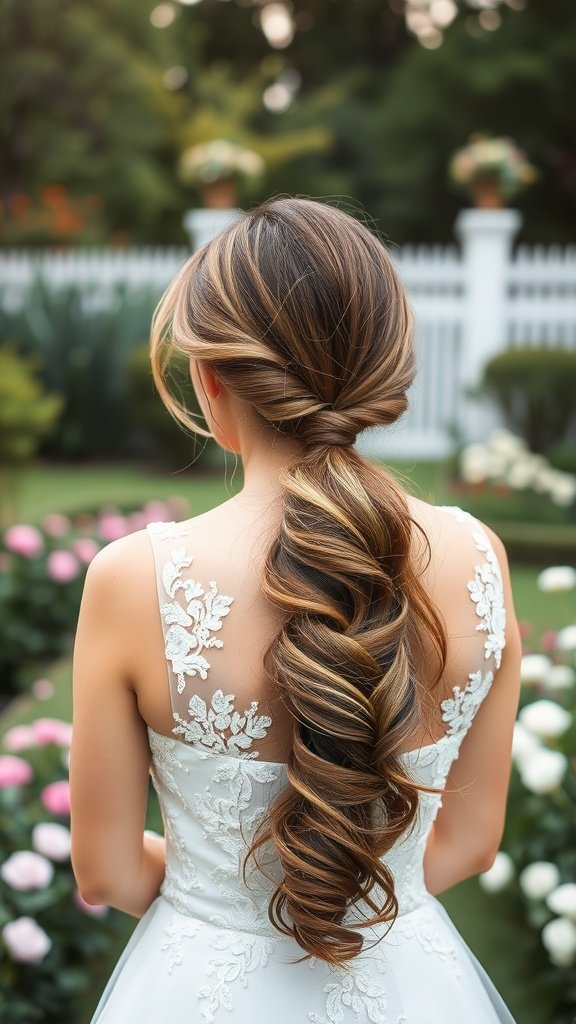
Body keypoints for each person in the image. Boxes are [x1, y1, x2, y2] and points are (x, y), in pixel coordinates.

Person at [70, 196, 522, 1023]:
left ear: (211, 378)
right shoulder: (478, 558)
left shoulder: (135, 580)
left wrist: (235, 891)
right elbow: (469, 841)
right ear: (386, 366)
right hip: (413, 982)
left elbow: (105, 871)